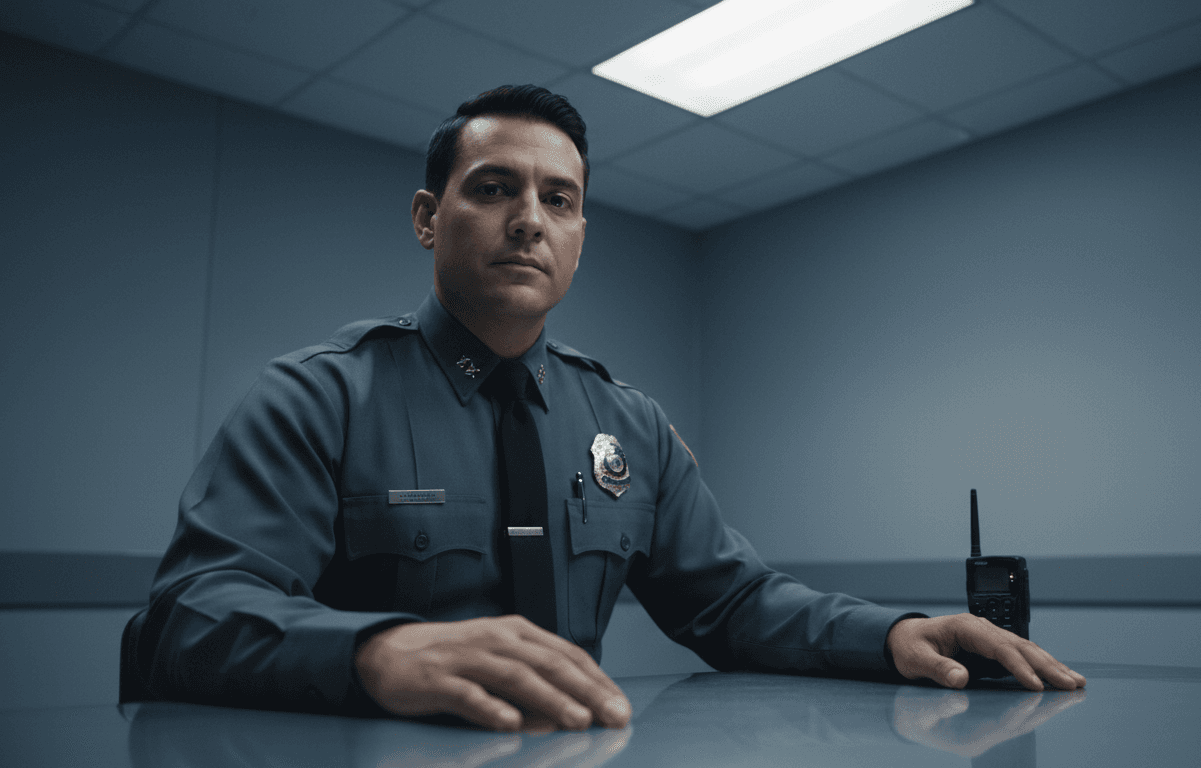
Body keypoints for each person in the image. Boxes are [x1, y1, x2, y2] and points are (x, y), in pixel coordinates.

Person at [120, 84, 1084, 733]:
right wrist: (375, 650)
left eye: (560, 198)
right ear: (427, 218)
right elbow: (187, 619)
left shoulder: (630, 426)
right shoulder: (318, 396)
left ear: (581, 234)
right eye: (493, 189)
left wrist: (888, 634)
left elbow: (734, 601)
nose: (529, 218)